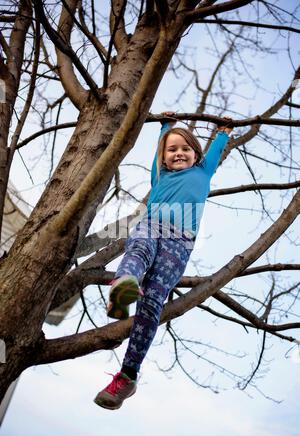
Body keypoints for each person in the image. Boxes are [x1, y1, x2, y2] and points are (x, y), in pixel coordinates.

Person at [94, 112, 233, 410]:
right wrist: (165, 127)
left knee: (153, 300)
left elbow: (216, 149)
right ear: (164, 158)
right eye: (172, 150)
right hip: (152, 225)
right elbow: (161, 148)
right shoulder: (160, 175)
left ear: (196, 154)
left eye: (185, 148)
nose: (179, 153)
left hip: (181, 241)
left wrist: (222, 132)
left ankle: (127, 376)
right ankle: (124, 286)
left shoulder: (203, 171)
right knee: (138, 250)